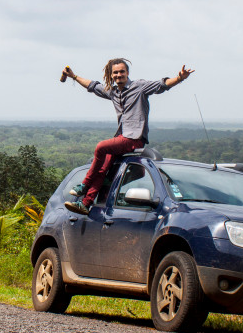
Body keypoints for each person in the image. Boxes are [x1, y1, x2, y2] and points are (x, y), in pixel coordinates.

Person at [61, 58, 194, 215]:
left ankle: (84, 185)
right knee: (102, 168)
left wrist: (179, 78)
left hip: (134, 138)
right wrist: (74, 76)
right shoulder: (113, 91)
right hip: (121, 137)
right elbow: (93, 86)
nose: (119, 75)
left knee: (101, 147)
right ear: (111, 75)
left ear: (127, 73)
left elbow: (161, 85)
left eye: (122, 72)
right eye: (115, 72)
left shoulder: (139, 87)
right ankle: (86, 203)